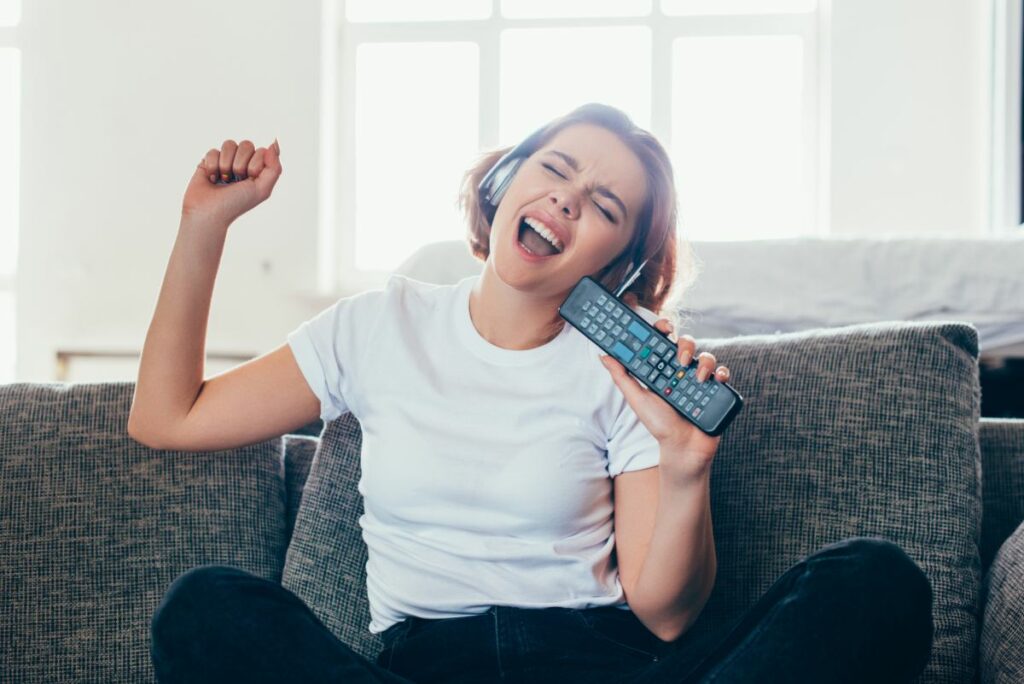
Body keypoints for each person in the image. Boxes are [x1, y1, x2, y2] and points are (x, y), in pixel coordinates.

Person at [130, 103, 934, 683]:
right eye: (554, 169)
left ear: (618, 266)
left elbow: (666, 616)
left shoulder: (625, 369)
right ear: (506, 179)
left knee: (872, 582)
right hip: (424, 669)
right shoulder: (376, 327)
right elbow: (168, 417)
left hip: (602, 664)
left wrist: (687, 466)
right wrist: (205, 226)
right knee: (206, 609)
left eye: (605, 206)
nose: (567, 199)